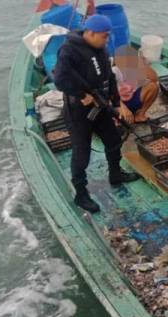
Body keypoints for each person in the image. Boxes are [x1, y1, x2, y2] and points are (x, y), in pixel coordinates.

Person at [54, 14, 140, 213]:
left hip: (101, 105)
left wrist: (117, 103)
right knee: (81, 153)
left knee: (113, 141)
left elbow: (109, 77)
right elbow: (60, 79)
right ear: (90, 33)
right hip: (78, 110)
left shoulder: (100, 48)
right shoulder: (69, 50)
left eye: (108, 36)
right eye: (104, 36)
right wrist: (81, 94)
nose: (107, 40)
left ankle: (116, 174)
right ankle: (81, 194)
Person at [113, 46, 159, 123]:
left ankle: (140, 115)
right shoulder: (114, 71)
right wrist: (121, 107)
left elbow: (155, 78)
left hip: (132, 99)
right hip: (117, 103)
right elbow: (107, 93)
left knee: (153, 86)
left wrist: (142, 64)